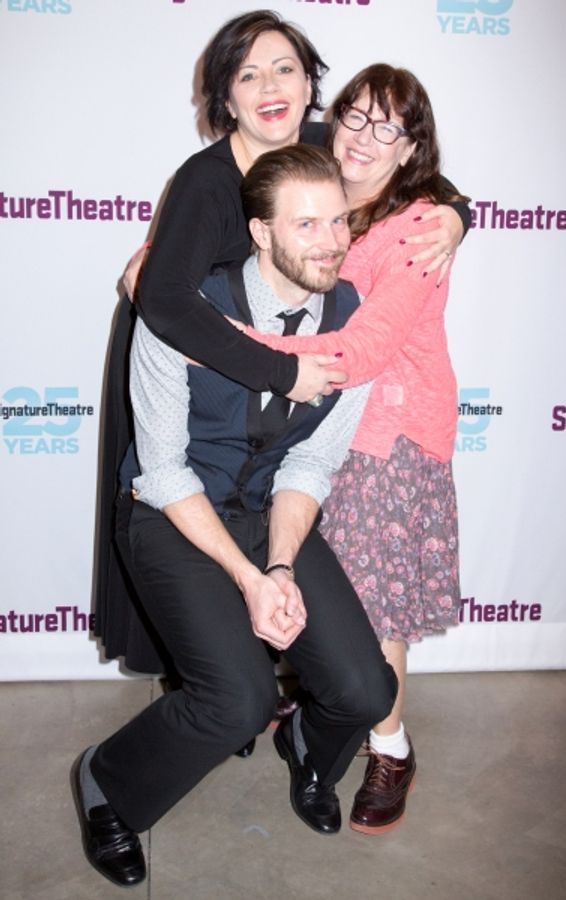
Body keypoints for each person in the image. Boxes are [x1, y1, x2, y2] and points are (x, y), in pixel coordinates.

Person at [95, 13, 468, 672]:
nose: (270, 85)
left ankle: (253, 676)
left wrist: (455, 213)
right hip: (189, 347)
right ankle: (221, 686)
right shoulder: (206, 180)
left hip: (283, 361)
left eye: (285, 68)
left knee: (274, 509)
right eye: (248, 74)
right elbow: (170, 302)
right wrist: (276, 369)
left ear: (309, 85)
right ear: (225, 98)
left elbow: (402, 167)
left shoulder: (325, 140)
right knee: (191, 504)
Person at [73, 145, 397, 888]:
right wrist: (250, 581)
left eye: (339, 221)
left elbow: (311, 464)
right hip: (172, 514)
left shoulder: (353, 323)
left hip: (271, 509)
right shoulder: (187, 309)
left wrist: (280, 564)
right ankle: (108, 785)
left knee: (366, 689)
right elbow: (162, 471)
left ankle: (310, 752)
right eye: (307, 223)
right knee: (239, 699)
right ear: (260, 231)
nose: (332, 240)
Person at [243, 64, 464, 835]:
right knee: (322, 591)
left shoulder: (418, 227)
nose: (365, 138)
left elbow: (364, 348)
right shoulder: (326, 190)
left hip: (387, 439)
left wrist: (234, 344)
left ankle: (390, 747)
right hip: (320, 428)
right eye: (355, 118)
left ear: (411, 149)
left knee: (376, 610)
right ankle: (315, 707)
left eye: (389, 128)